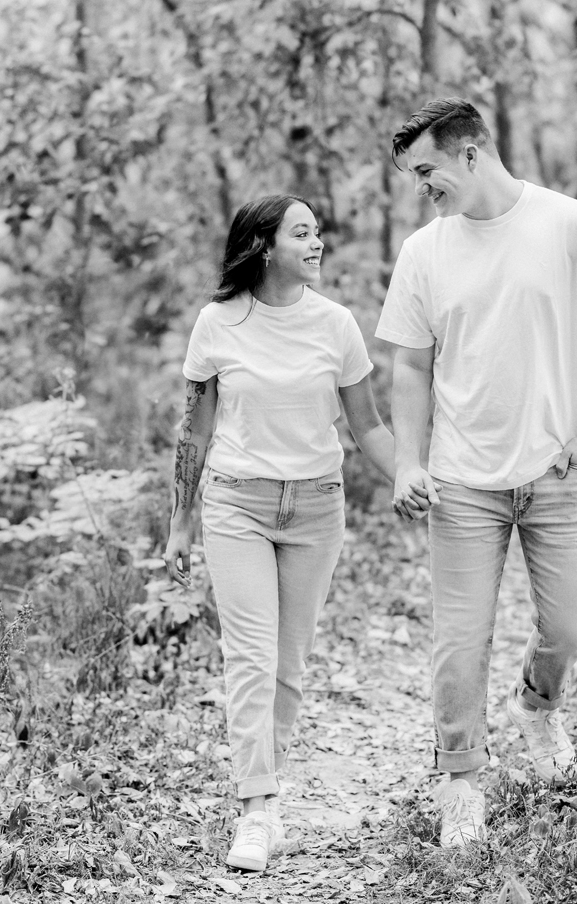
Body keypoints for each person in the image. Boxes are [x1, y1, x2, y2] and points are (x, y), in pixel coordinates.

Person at [375, 98, 577, 848]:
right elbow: (409, 365)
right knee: (460, 640)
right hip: (462, 482)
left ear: (469, 152)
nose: (422, 186)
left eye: (427, 169)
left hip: (558, 472)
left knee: (570, 623)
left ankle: (537, 705)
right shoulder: (425, 251)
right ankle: (461, 781)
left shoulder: (572, 224)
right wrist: (407, 463)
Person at [164, 194, 394, 873]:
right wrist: (180, 524)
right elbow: (194, 429)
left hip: (318, 507)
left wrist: (413, 480)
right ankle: (257, 808)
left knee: (288, 668)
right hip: (235, 504)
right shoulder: (218, 322)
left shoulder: (337, 325)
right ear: (265, 246)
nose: (318, 242)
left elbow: (369, 426)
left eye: (318, 232)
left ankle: (267, 791)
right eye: (303, 233)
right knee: (251, 658)